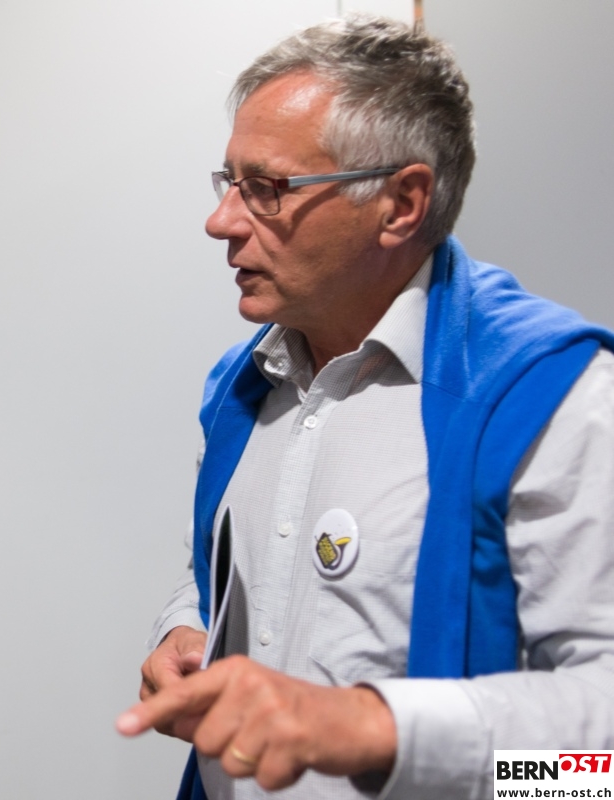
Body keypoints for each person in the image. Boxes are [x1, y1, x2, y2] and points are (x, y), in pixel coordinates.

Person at [115, 15, 614, 799]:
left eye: (266, 188)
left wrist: (372, 728)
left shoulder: (554, 400)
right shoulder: (243, 387)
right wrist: (187, 627)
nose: (221, 221)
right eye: (228, 182)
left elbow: (594, 774)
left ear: (400, 203)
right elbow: (225, 573)